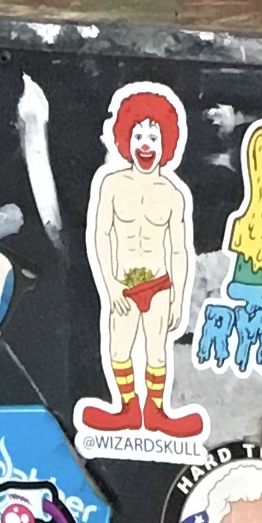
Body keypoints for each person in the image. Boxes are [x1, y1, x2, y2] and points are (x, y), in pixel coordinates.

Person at [82, 85, 201, 439]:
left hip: (159, 284)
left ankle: (157, 411)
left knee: (156, 350)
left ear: (167, 142)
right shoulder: (112, 185)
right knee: (119, 348)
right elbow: (101, 236)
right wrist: (111, 286)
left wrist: (178, 299)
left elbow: (179, 249)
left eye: (153, 136)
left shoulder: (173, 194)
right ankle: (128, 408)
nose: (145, 144)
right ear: (125, 138)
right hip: (123, 284)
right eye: (138, 135)